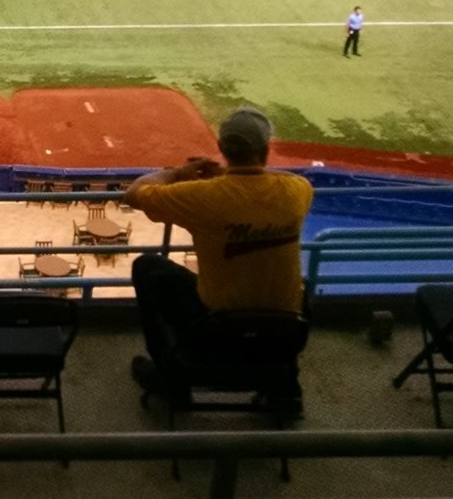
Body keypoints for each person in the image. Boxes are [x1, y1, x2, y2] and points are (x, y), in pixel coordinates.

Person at [122, 107, 312, 415]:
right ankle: (286, 389)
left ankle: (173, 380)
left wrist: (177, 174)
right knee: (302, 287)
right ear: (265, 150)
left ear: (222, 148)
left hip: (215, 332)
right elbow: (284, 180)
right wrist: (228, 176)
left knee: (147, 267)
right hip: (282, 337)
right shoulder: (296, 192)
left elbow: (134, 193)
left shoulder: (205, 196)